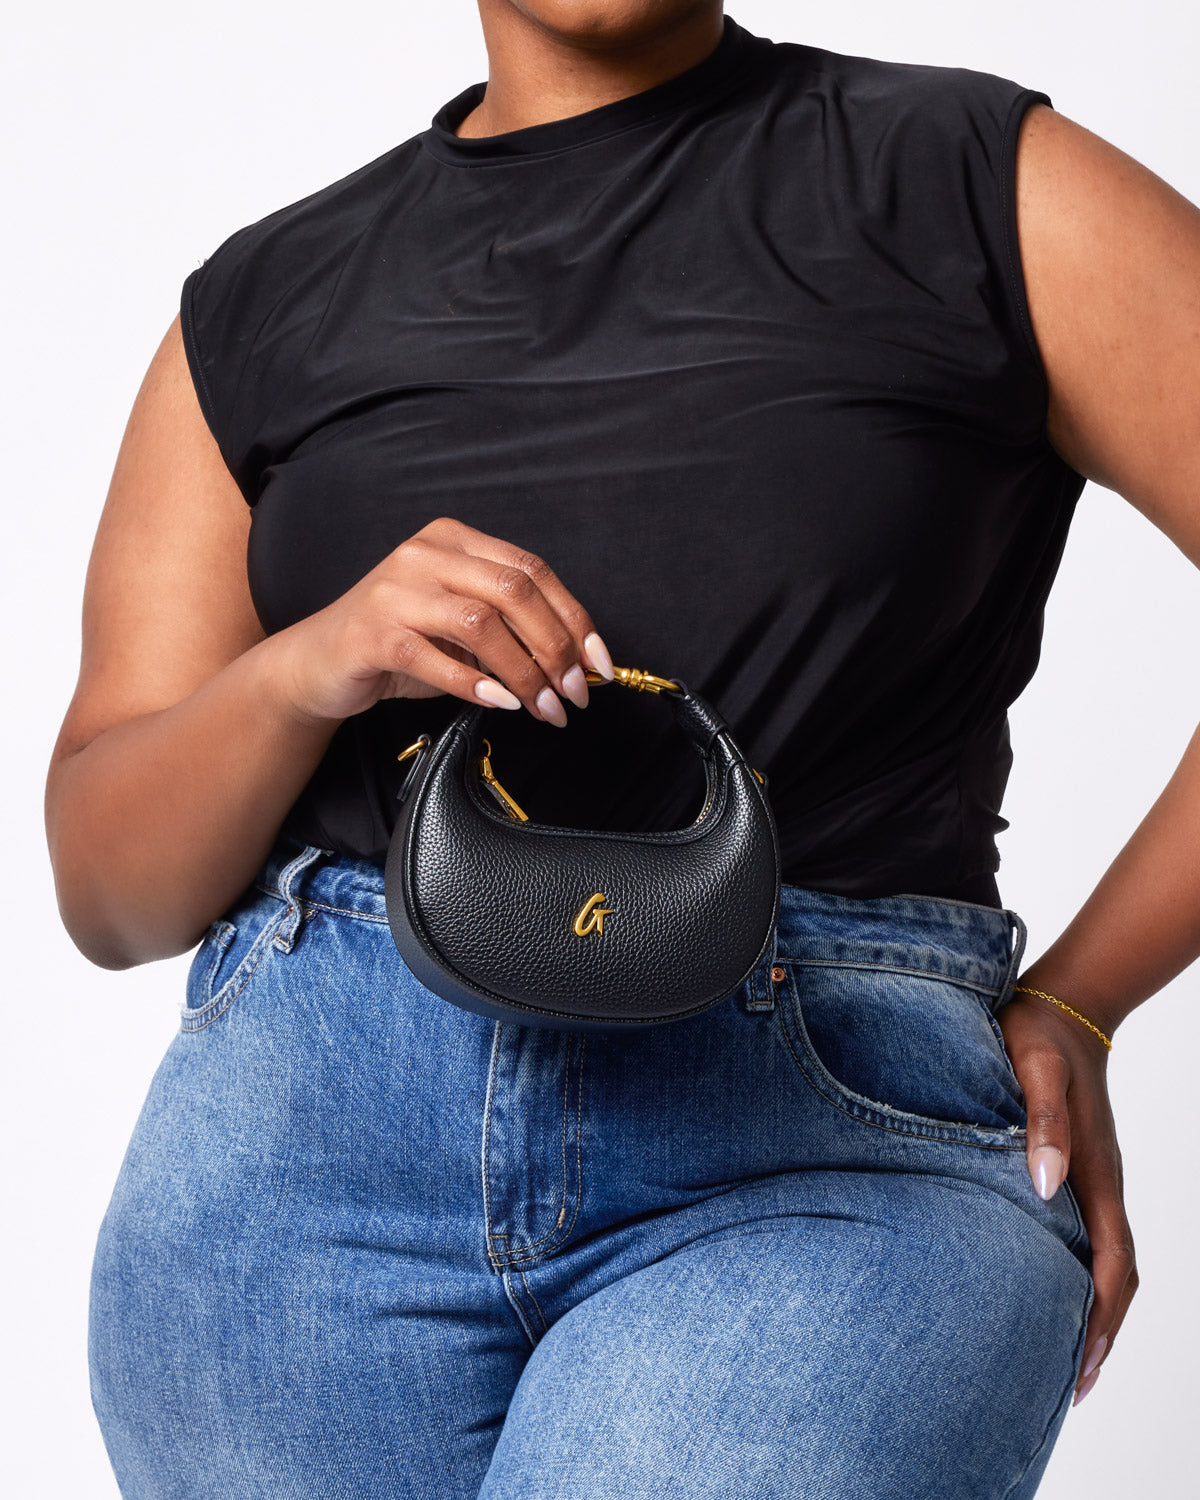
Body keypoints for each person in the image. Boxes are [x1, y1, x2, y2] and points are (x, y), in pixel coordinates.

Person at [44, 2, 1199, 1495]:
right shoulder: (263, 304)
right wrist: (305, 669)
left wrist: (1089, 998)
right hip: (297, 1187)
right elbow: (108, 890)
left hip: (821, 1153)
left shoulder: (981, 186)